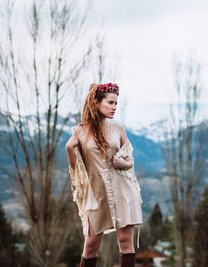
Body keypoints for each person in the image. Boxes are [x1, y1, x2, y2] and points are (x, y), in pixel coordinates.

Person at [65, 83, 143, 267]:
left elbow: (130, 161)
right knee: (91, 246)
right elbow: (76, 169)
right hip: (96, 195)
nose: (114, 107)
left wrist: (123, 163)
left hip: (123, 192)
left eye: (116, 103)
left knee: (126, 244)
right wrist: (69, 148)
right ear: (96, 103)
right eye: (110, 102)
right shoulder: (80, 131)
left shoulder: (118, 129)